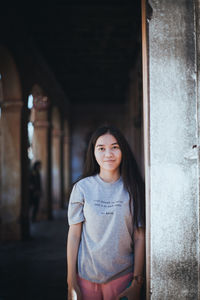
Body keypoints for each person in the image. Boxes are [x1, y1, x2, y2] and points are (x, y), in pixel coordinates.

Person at [67, 125, 145, 300]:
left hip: (123, 277)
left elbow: (140, 235)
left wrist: (137, 282)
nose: (108, 154)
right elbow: (74, 235)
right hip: (85, 277)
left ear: (123, 150)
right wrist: (71, 281)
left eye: (115, 147)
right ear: (93, 153)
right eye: (101, 148)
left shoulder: (134, 188)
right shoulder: (82, 188)